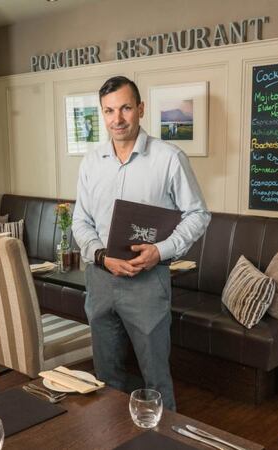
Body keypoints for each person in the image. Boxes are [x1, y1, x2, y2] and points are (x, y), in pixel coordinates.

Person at [72, 76, 210, 410]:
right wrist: (102, 256)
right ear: (102, 114)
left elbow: (198, 214)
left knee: (156, 378)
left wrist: (160, 251)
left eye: (125, 108)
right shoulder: (91, 162)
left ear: (141, 109)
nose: (117, 119)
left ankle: (163, 443)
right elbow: (81, 221)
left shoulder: (169, 158)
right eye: (108, 111)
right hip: (101, 280)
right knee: (106, 377)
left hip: (148, 283)